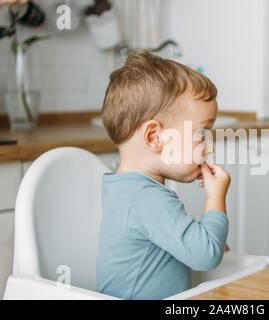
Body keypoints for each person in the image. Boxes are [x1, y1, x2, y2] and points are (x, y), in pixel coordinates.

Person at [96, 50, 230, 299]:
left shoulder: (128, 190)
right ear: (154, 137)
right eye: (202, 134)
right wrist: (216, 197)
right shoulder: (146, 199)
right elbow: (206, 256)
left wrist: (205, 237)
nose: (209, 147)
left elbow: (170, 243)